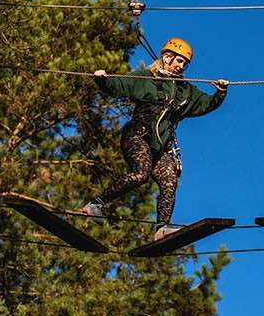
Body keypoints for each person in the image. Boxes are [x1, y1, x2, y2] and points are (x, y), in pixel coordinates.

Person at [82, 37, 228, 241]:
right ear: (167, 58)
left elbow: (205, 104)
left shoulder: (185, 90)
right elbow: (120, 84)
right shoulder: (146, 79)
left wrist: (220, 93)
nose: (181, 66)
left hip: (161, 147)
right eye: (179, 61)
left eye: (185, 64)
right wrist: (102, 79)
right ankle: (95, 204)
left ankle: (162, 229)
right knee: (141, 174)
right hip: (137, 137)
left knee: (170, 180)